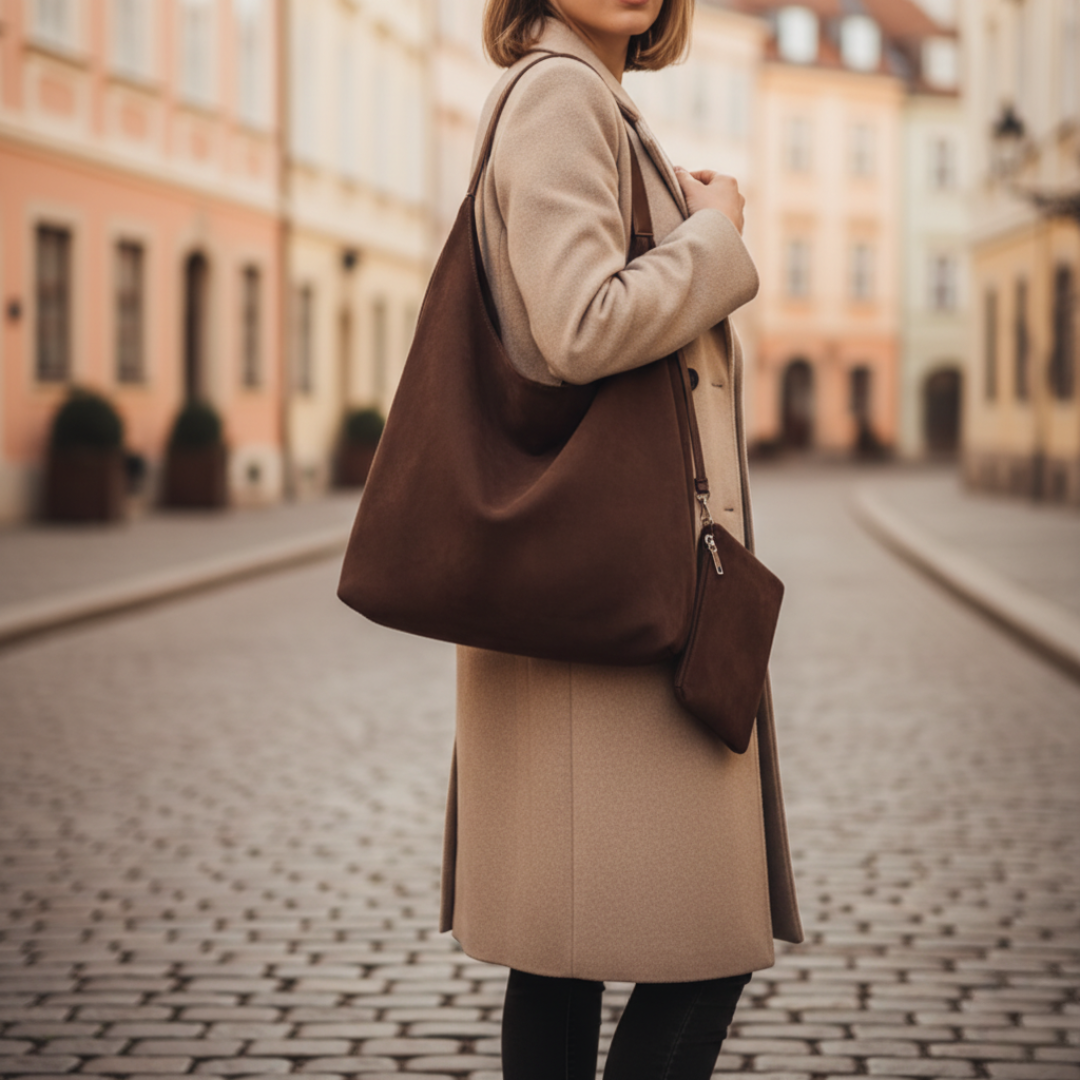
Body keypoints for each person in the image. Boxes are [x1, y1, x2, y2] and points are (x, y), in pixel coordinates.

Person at [438, 2, 804, 1077]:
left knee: (560, 963)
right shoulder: (560, 95)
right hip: (612, 602)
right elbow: (579, 322)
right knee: (702, 944)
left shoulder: (594, 100)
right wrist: (715, 237)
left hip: (601, 598)